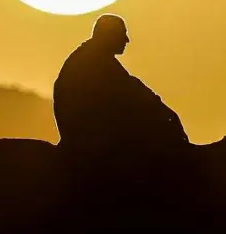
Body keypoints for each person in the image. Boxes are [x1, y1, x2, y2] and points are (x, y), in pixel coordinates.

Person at [53, 14, 188, 153]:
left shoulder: (93, 57)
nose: (127, 40)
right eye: (123, 34)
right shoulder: (96, 62)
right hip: (92, 141)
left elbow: (133, 88)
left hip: (87, 135)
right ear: (110, 36)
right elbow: (133, 93)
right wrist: (167, 116)